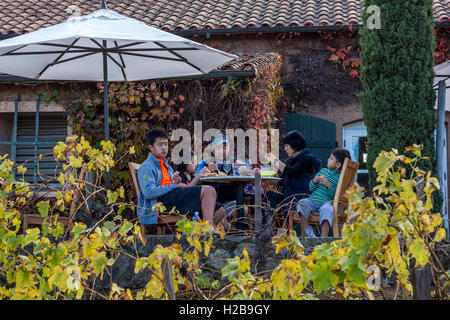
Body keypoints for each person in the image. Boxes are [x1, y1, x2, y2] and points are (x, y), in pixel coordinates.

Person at [136, 129, 230, 233]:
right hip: (161, 204)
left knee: (219, 210)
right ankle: (207, 230)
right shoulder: (147, 167)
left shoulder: (167, 166)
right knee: (209, 190)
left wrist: (175, 182)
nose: (164, 148)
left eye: (166, 144)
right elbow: (149, 193)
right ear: (151, 147)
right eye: (160, 145)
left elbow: (168, 185)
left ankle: (201, 234)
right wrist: (174, 186)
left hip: (173, 199)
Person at [295, 148, 351, 238]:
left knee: (327, 210)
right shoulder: (323, 171)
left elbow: (337, 196)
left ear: (338, 165)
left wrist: (328, 185)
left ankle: (323, 237)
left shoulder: (340, 178)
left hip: (326, 202)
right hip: (312, 200)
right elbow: (310, 188)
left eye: (331, 158)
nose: (328, 159)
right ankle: (308, 232)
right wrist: (314, 181)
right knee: (301, 204)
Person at [265, 130, 321, 215]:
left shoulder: (307, 159)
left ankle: (278, 224)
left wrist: (275, 160)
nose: (285, 149)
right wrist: (264, 178)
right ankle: (269, 226)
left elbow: (292, 172)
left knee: (279, 206)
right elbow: (281, 182)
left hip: (302, 200)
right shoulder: (290, 161)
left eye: (287, 145)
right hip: (289, 198)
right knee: (269, 195)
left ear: (295, 144)